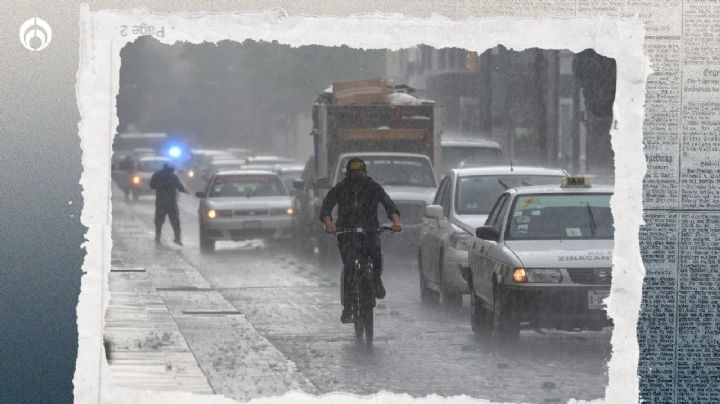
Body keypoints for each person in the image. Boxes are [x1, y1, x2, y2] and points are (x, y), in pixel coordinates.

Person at [319, 157, 401, 323]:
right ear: (348, 174)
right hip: (346, 233)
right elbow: (326, 207)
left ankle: (376, 280)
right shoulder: (341, 189)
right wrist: (329, 224)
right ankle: (348, 306)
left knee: (376, 255)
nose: (358, 177)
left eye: (360, 173)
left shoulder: (373, 188)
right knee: (349, 266)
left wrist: (396, 222)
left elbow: (389, 205)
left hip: (370, 231)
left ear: (365, 173)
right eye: (354, 174)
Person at [149, 163, 189, 246]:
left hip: (160, 201)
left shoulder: (157, 175)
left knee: (159, 220)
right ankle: (177, 238)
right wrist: (185, 191)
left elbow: (152, 185)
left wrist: (159, 187)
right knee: (175, 221)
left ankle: (158, 235)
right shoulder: (173, 177)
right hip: (171, 203)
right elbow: (179, 186)